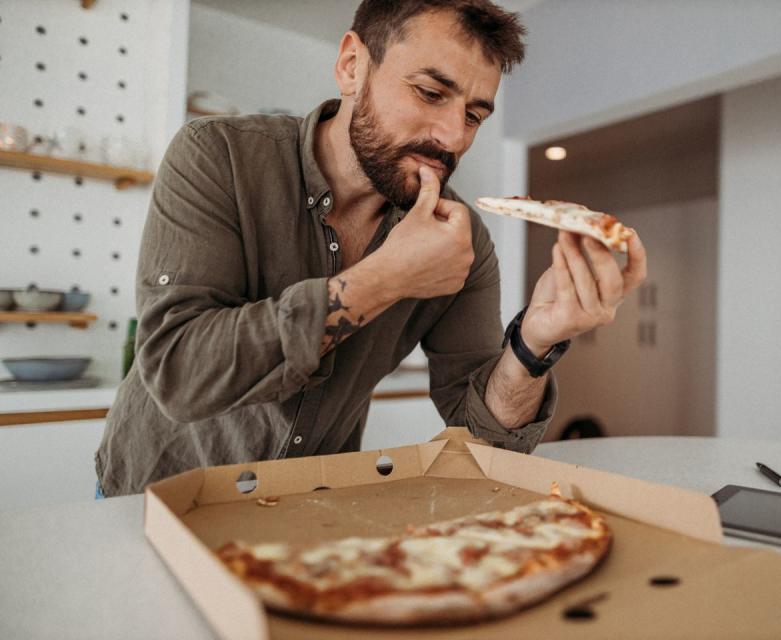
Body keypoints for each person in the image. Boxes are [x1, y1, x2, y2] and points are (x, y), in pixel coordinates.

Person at [95, 0, 646, 496]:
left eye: (474, 115)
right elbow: (179, 372)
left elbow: (483, 439)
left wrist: (533, 342)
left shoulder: (463, 242)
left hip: (307, 513)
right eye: (431, 93)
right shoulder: (217, 156)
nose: (454, 136)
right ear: (352, 66)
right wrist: (385, 279)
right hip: (150, 500)